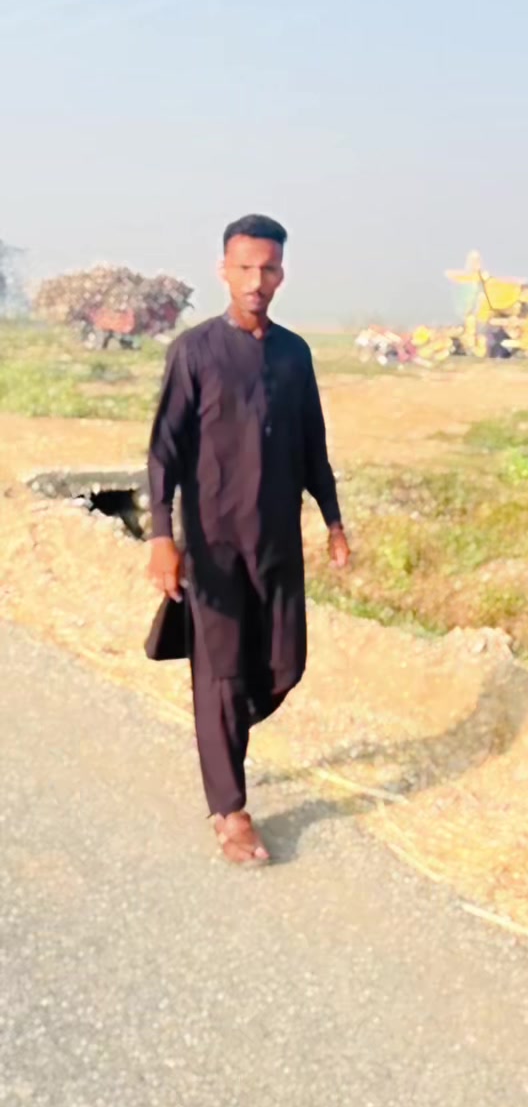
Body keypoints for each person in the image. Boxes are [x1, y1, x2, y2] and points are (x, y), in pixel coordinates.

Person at [146, 215, 350, 864]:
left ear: (281, 273)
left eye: (267, 268)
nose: (256, 280)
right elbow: (164, 450)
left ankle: (224, 725)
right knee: (222, 673)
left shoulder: (294, 354)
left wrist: (334, 520)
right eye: (244, 268)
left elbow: (313, 443)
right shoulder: (195, 352)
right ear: (224, 271)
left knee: (285, 666)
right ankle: (229, 810)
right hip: (213, 544)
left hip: (277, 540)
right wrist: (161, 535)